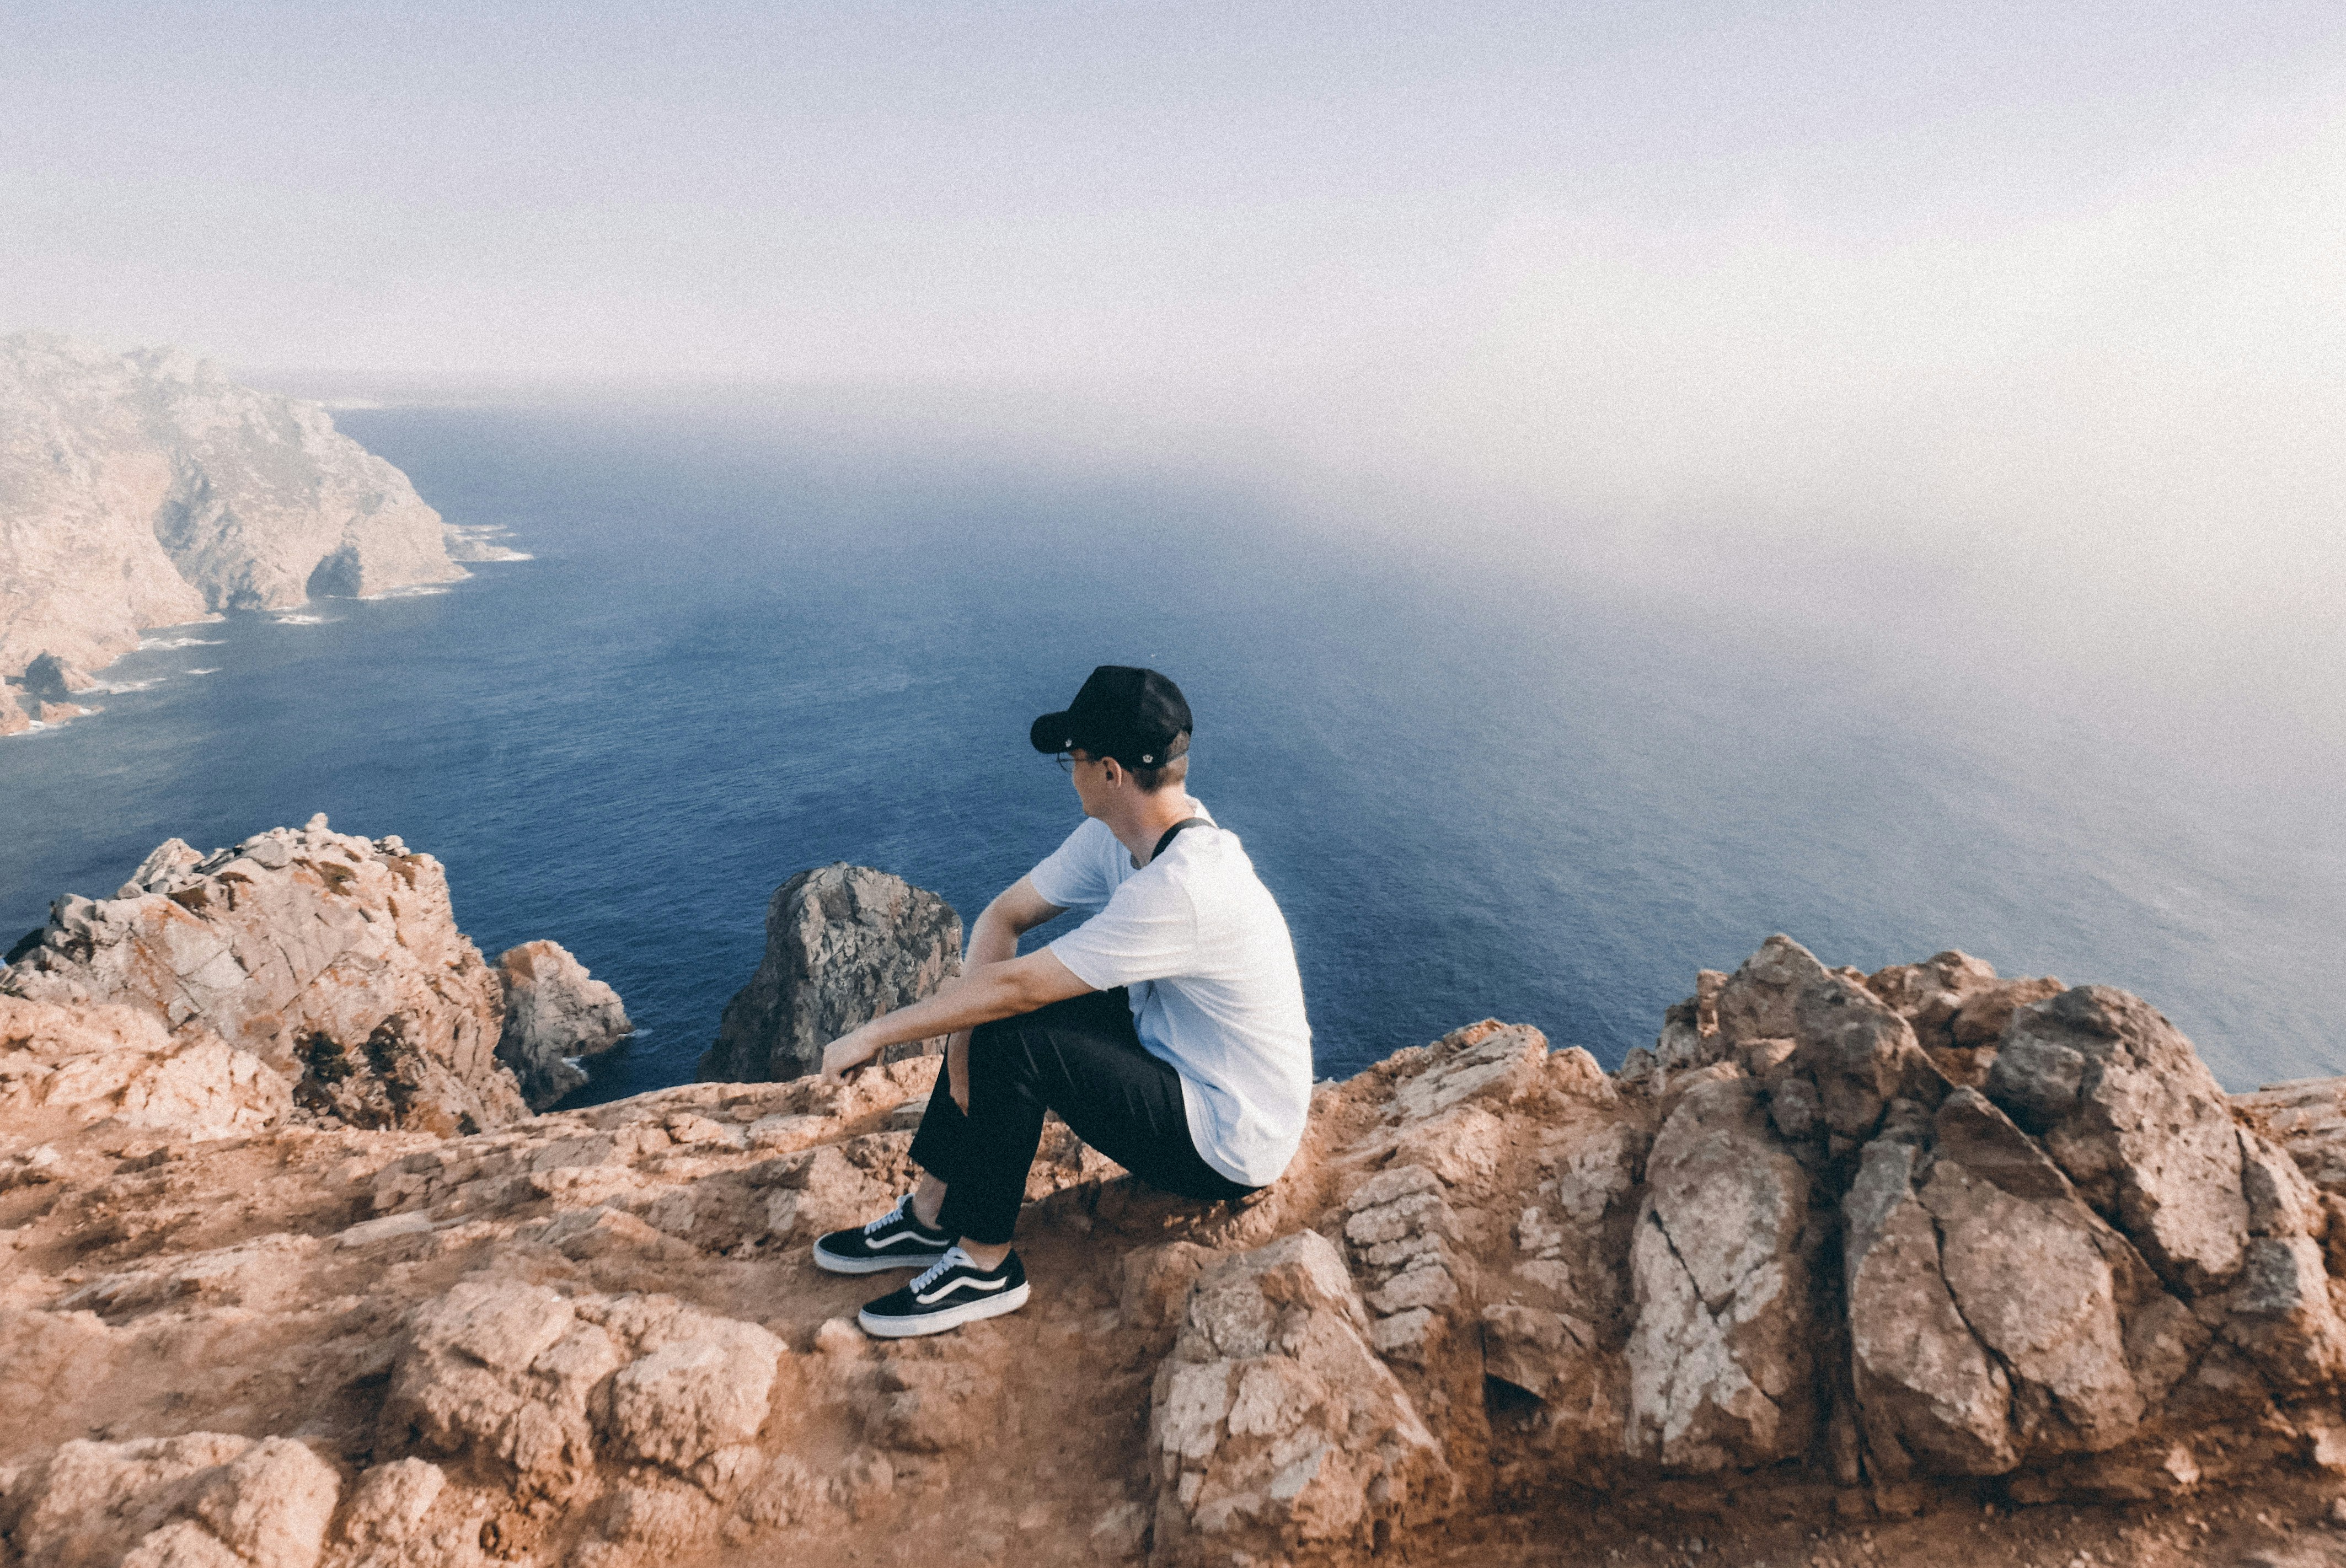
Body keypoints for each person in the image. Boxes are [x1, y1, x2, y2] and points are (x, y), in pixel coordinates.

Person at [810, 665, 1314, 1337]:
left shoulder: (1184, 886)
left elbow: (1017, 989)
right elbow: (1002, 918)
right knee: (994, 1020)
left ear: (1109, 772)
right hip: (1176, 1049)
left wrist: (876, 1033)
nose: (1066, 770)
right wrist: (960, 1044)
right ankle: (933, 1216)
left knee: (1016, 1036)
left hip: (1228, 1136)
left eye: (1071, 758)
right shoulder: (1121, 837)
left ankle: (984, 1266)